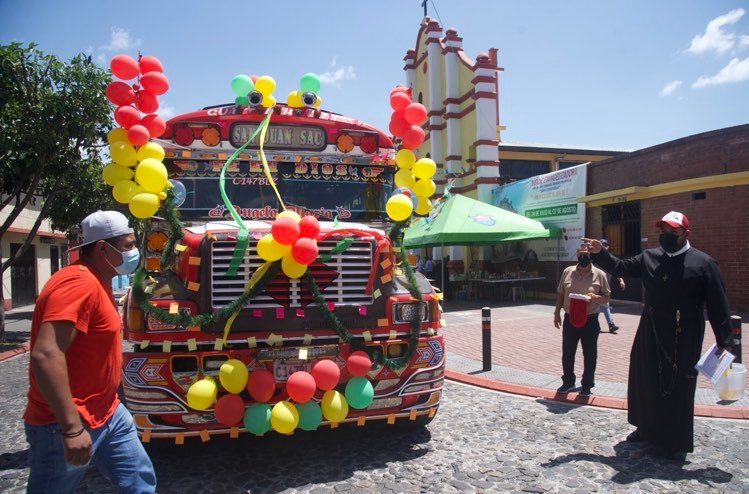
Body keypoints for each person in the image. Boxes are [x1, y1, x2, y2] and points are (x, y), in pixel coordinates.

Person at [24, 211, 157, 493]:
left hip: (108, 411)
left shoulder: (98, 279)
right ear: (101, 247)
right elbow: (46, 354)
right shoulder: (79, 284)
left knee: (139, 482)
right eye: (127, 245)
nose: (133, 252)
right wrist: (71, 428)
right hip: (66, 422)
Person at [583, 211, 733, 458]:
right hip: (650, 329)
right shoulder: (650, 257)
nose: (667, 235)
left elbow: (718, 305)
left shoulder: (703, 263)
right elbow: (620, 267)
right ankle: (645, 428)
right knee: (646, 378)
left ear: (686, 232)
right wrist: (600, 252)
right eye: (663, 231)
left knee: (678, 385)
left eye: (673, 231)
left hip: (684, 333)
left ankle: (673, 440)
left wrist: (724, 340)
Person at [553, 244, 611, 397]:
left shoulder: (599, 275)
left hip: (590, 320)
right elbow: (560, 293)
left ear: (590, 256)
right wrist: (556, 312)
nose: (583, 256)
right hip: (570, 319)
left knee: (590, 354)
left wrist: (596, 297)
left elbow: (607, 298)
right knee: (568, 352)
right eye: (580, 253)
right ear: (577, 254)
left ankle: (587, 384)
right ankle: (568, 382)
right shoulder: (568, 272)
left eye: (586, 254)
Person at [598, 239, 626, 333]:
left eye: (606, 245)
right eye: (603, 245)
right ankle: (610, 324)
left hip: (606, 288)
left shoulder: (610, 259)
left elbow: (615, 270)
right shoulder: (595, 258)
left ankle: (597, 325)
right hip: (595, 287)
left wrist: (621, 280)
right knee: (602, 306)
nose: (605, 246)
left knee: (601, 306)